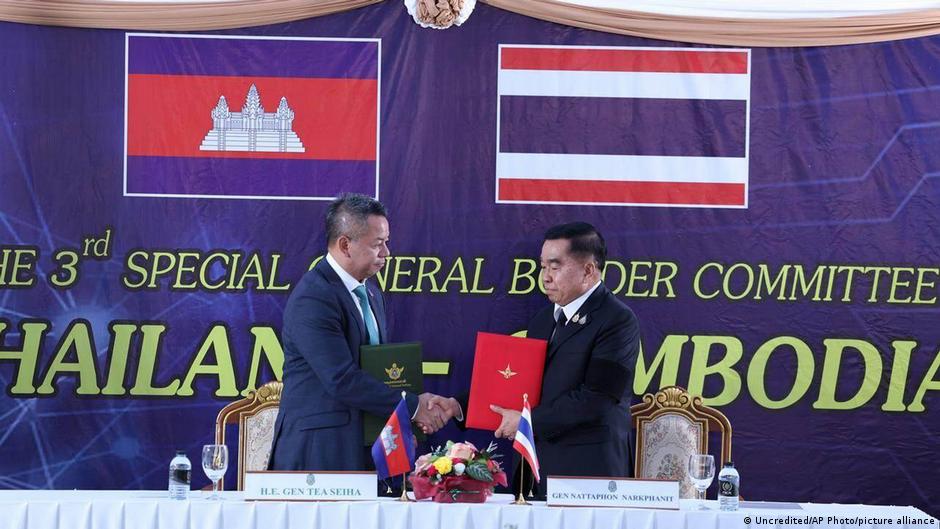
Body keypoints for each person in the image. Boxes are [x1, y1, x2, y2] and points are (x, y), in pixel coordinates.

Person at [269, 193, 454, 471]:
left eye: (386, 242)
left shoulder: (372, 294)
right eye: (378, 244)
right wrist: (413, 408)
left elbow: (376, 373)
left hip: (363, 447)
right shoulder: (314, 297)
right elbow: (341, 378)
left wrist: (398, 424)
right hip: (319, 453)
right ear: (345, 245)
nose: (386, 253)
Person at [488, 222, 640, 494]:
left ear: (588, 270)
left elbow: (598, 399)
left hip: (588, 473)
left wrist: (526, 422)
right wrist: (456, 406)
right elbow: (519, 384)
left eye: (555, 267)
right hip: (534, 469)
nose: (545, 277)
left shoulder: (617, 320)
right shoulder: (543, 320)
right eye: (543, 266)